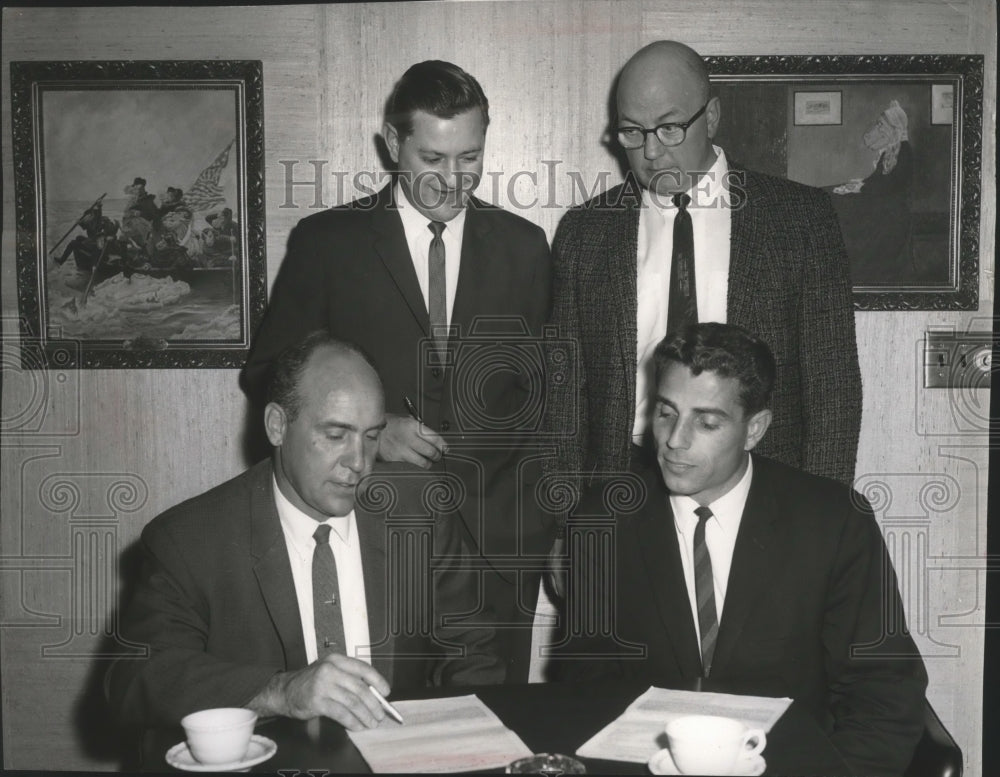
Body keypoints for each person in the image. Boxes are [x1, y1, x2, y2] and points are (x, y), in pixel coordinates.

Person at [242, 60, 554, 682]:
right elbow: (270, 374)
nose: (452, 180)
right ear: (392, 143)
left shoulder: (526, 245)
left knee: (490, 727)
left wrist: (555, 527)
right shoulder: (328, 242)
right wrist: (374, 429)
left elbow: (552, 398)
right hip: (374, 531)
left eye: (470, 158)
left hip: (501, 545)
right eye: (433, 160)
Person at [559, 323, 927, 777]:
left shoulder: (834, 521)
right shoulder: (603, 520)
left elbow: (883, 693)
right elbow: (584, 688)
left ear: (755, 429)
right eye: (666, 413)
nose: (676, 440)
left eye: (707, 422)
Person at [108, 333, 504, 731]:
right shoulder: (190, 539)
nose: (360, 463)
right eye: (335, 436)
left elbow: (474, 656)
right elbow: (134, 681)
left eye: (372, 436)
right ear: (277, 425)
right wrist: (279, 692)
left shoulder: (420, 509)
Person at [546, 40, 862, 490]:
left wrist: (823, 516)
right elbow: (564, 396)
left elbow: (833, 388)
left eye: (670, 128)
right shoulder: (585, 231)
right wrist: (564, 518)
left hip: (762, 487)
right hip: (627, 493)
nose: (651, 151)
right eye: (632, 132)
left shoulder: (800, 220)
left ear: (710, 116)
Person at [832, 99, 915, 284]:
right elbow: (879, 180)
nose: (877, 128)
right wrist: (860, 183)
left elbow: (890, 187)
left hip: (891, 216)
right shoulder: (890, 151)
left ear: (892, 128)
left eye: (881, 125)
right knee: (836, 198)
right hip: (883, 206)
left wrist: (861, 187)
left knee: (846, 213)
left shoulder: (904, 153)